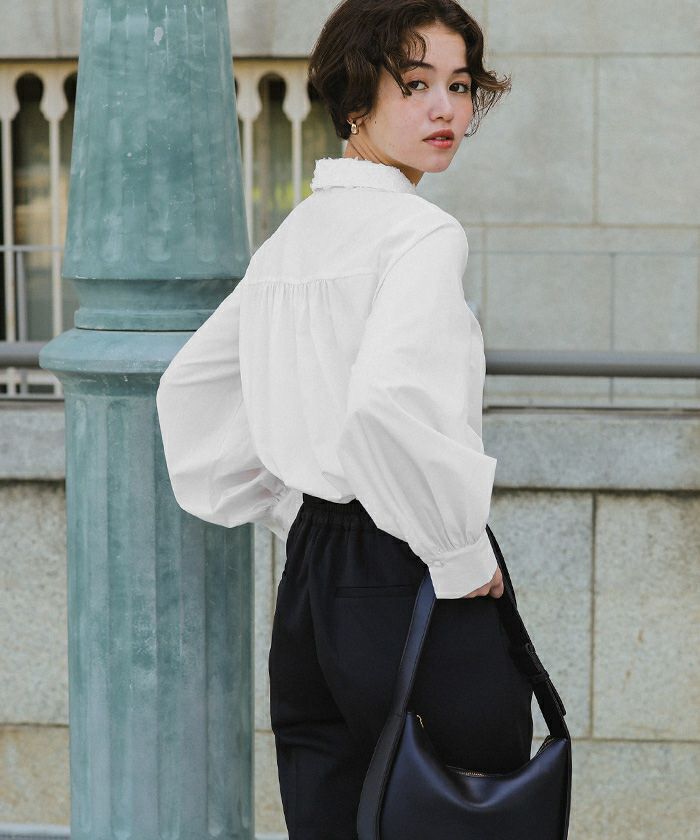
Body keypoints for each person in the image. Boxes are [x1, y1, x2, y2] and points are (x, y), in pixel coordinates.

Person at [155, 1, 533, 837]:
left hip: (313, 574)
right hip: (409, 559)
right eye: (416, 84)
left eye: (460, 86)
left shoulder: (296, 237)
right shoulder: (421, 233)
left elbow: (191, 389)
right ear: (357, 97)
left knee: (330, 808)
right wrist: (460, 553)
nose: (445, 109)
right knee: (476, 805)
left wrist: (296, 506)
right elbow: (386, 410)